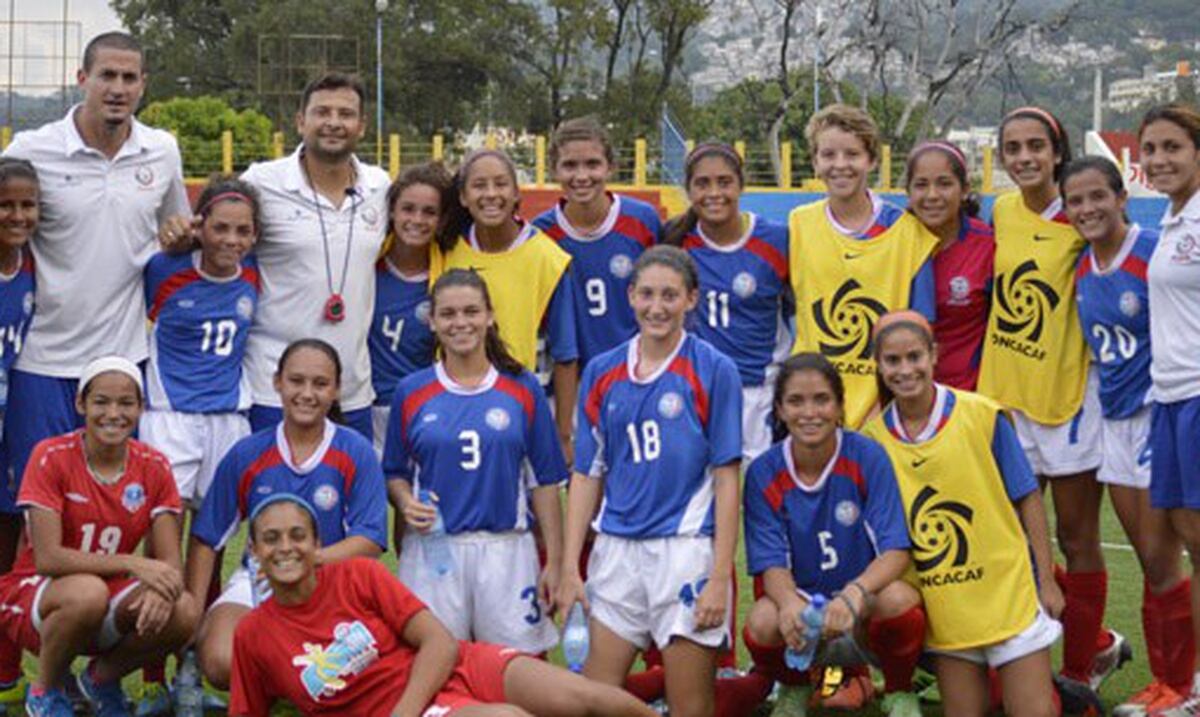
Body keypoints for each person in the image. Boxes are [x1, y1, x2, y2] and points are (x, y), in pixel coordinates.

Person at [0, 30, 189, 571]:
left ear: (143, 86)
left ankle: (112, 636)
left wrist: (179, 238)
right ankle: (10, 649)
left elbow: (172, 233)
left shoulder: (162, 150)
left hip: (122, 361)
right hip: (43, 360)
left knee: (119, 508)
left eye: (130, 78)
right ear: (82, 79)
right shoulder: (32, 150)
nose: (118, 88)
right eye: (107, 75)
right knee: (22, 512)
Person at [228, 493, 658, 717]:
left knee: (585, 700)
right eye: (271, 539)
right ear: (254, 550)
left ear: (317, 543)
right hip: (400, 706)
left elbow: (438, 642)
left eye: (298, 536)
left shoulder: (359, 575)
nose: (286, 548)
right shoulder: (254, 634)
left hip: (452, 669)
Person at [976, 107, 1125, 695]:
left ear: (1056, 149)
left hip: (1066, 400)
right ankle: (1076, 643)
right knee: (1008, 537)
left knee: (1078, 538)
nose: (1024, 158)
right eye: (1012, 148)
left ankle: (1079, 668)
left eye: (1035, 146)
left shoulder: (1081, 213)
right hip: (1004, 399)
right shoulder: (1002, 210)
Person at [557, 246, 742, 717]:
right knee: (595, 700)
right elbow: (585, 474)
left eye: (670, 295)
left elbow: (726, 478)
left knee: (690, 704)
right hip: (615, 552)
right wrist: (569, 567)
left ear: (691, 299)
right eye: (646, 295)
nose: (657, 307)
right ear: (630, 296)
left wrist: (719, 577)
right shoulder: (601, 372)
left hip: (683, 552)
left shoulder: (713, 369)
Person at [162, 73, 390, 441]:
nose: (333, 122)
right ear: (301, 121)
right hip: (273, 386)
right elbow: (213, 230)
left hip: (350, 387)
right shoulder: (263, 182)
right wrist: (178, 237)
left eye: (345, 114)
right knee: (268, 497)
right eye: (322, 112)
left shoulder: (380, 186)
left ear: (362, 126)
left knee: (345, 495)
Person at [863, 312, 1068, 717]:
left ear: (934, 355)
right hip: (948, 607)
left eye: (914, 357)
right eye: (892, 360)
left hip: (1006, 594)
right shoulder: (873, 441)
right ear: (878, 364)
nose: (905, 370)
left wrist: (1047, 580)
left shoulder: (981, 414)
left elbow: (1027, 497)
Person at [1063, 154, 1196, 716]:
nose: (1088, 208)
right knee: (1150, 559)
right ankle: (1169, 683)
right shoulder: (1080, 268)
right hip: (1113, 422)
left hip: (1155, 415)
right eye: (1076, 201)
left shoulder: (1152, 251)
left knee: (1163, 557)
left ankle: (1178, 686)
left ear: (1122, 197)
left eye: (1099, 196)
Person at [0, 356, 199, 717]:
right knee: (87, 592)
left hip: (105, 593)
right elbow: (48, 558)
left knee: (183, 609)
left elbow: (170, 561)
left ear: (140, 408)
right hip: (37, 592)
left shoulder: (154, 465)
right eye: (101, 402)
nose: (113, 414)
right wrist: (132, 563)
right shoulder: (51, 456)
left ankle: (100, 681)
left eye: (126, 403)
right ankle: (45, 691)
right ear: (81, 404)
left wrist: (161, 587)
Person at [383, 269, 568, 653]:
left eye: (471, 311)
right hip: (434, 552)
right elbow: (395, 473)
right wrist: (404, 500)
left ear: (489, 316)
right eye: (448, 314)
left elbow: (544, 483)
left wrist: (555, 561)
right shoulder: (412, 392)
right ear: (432, 321)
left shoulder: (522, 388)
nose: (460, 323)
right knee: (433, 666)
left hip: (506, 549)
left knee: (520, 670)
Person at [185, 338, 387, 690]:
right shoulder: (248, 453)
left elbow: (369, 540)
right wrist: (192, 618)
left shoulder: (356, 450)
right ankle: (284, 683)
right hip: (259, 583)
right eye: (296, 381)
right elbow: (207, 539)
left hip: (333, 585)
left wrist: (306, 561)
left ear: (336, 391)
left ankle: (293, 686)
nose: (307, 393)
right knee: (220, 660)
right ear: (277, 383)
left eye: (320, 384)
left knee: (360, 670)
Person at [742, 353, 925, 717]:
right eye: (796, 401)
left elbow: (895, 550)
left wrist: (854, 594)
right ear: (779, 409)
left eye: (821, 399)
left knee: (901, 600)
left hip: (861, 610)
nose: (809, 412)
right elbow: (771, 563)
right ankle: (795, 687)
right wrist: (791, 604)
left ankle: (899, 689)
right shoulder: (764, 471)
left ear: (840, 405)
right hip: (805, 618)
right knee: (762, 621)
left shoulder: (867, 456)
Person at [787, 104, 938, 428]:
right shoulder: (799, 224)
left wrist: (890, 402)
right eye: (828, 155)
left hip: (884, 410)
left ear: (871, 159)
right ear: (815, 162)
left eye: (852, 154)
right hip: (813, 409)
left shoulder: (908, 232)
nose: (840, 165)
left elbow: (922, 326)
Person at [431, 149, 578, 459]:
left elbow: (565, 354)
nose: (490, 194)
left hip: (515, 406)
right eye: (479, 185)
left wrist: (563, 434)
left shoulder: (547, 259)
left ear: (515, 193)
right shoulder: (445, 248)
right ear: (463, 196)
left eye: (500, 184)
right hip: (449, 404)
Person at [664, 142, 791, 463]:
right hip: (694, 387)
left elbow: (797, 306)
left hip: (757, 389)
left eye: (724, 182)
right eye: (702, 183)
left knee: (756, 491)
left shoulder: (777, 240)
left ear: (741, 185)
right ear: (689, 189)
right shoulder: (676, 241)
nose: (714, 193)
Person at [141, 177, 261, 512]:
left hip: (228, 415)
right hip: (170, 416)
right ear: (200, 226)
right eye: (220, 228)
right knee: (165, 519)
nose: (231, 240)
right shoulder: (164, 269)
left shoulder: (254, 272)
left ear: (255, 235)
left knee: (213, 530)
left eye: (242, 231)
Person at [1141, 101, 1200, 714]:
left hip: (1198, 400)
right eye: (1151, 150)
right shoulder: (1172, 217)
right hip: (1171, 399)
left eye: (1172, 148)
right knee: (1188, 545)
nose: (1159, 160)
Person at [533, 117, 661, 368]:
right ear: (553, 170)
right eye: (569, 165)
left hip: (637, 371)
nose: (582, 176)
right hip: (572, 377)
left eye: (592, 164)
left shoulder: (642, 221)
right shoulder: (540, 234)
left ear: (610, 167)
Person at [368, 162, 449, 455]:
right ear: (392, 211)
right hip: (366, 410)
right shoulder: (366, 267)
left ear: (441, 221)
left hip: (426, 408)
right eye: (408, 209)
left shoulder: (449, 277)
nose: (417, 219)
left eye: (429, 212)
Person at [904, 141, 993, 391]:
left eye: (944, 183)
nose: (932, 195)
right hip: (902, 396)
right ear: (908, 192)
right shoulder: (890, 243)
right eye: (921, 185)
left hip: (967, 396)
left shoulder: (988, 245)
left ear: (964, 189)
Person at [0, 158, 38, 573]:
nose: (18, 215)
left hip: (9, 415)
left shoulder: (29, 262)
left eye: (28, 205)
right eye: (6, 205)